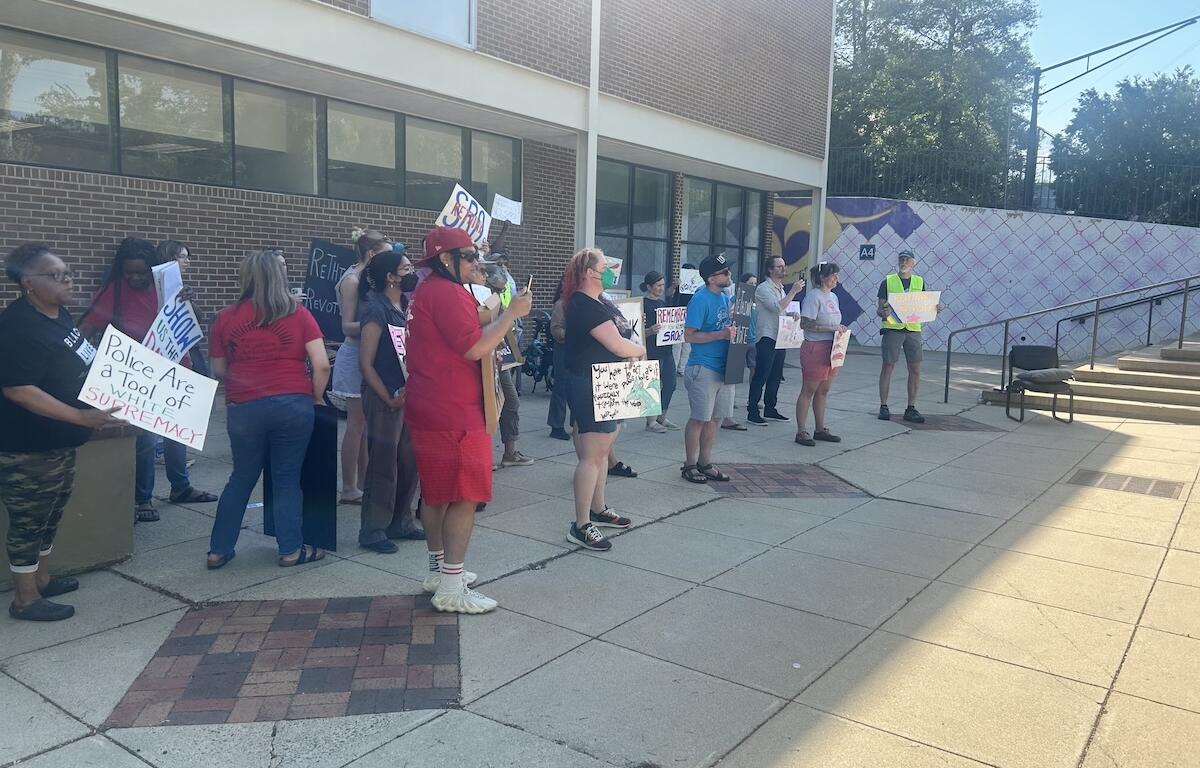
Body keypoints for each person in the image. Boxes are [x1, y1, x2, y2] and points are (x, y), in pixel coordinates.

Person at [405, 226, 532, 614]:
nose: (478, 261)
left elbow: (466, 331)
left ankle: (440, 572)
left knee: (438, 493)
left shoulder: (431, 291)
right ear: (447, 259)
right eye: (470, 255)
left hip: (433, 404)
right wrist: (511, 312)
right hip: (453, 409)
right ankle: (451, 586)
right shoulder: (445, 293)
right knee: (465, 495)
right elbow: (475, 346)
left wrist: (493, 309)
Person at [0, 243, 120, 621]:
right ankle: (25, 600)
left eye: (69, 273)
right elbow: (18, 387)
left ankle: (43, 579)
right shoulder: (18, 327)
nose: (69, 280)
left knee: (50, 514)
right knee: (28, 521)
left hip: (59, 442)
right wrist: (79, 417)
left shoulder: (59, 315)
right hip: (28, 447)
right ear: (28, 283)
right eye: (57, 275)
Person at [206, 249, 331, 569]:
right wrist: (315, 398)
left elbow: (219, 369)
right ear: (280, 278)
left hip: (244, 406)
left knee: (241, 477)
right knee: (287, 478)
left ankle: (219, 549)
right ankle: (290, 550)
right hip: (292, 404)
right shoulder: (299, 314)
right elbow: (321, 365)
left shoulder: (225, 318)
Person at [79, 237, 216, 522]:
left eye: (141, 271)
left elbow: (196, 320)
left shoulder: (165, 287)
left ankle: (181, 487)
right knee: (147, 439)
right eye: (129, 272)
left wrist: (188, 301)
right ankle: (143, 497)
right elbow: (87, 327)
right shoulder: (114, 291)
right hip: (137, 375)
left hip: (175, 369)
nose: (135, 277)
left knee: (176, 433)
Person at [561, 248, 640, 551]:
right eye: (605, 267)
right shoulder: (584, 305)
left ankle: (599, 508)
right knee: (592, 456)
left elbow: (626, 338)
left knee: (604, 450)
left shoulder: (601, 303)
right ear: (589, 272)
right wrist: (638, 352)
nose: (610, 271)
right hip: (589, 383)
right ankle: (581, 525)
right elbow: (619, 345)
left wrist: (632, 349)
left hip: (609, 381)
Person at [356, 248, 424, 553]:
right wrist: (387, 397)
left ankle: (401, 520)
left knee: (410, 461)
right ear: (390, 277)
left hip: (410, 395)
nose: (412, 274)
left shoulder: (409, 305)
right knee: (383, 463)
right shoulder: (375, 308)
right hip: (384, 396)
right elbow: (366, 363)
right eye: (406, 268)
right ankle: (373, 529)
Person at [331, 229, 392, 505]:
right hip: (354, 354)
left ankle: (363, 481)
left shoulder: (366, 278)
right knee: (356, 424)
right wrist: (379, 325)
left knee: (364, 424)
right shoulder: (352, 280)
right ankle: (348, 487)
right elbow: (346, 326)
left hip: (368, 354)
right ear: (372, 254)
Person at [680, 253, 737, 484]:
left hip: (725, 365)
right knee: (699, 419)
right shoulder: (700, 300)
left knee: (715, 419)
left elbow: (724, 324)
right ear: (712, 278)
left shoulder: (723, 297)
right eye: (725, 272)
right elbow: (689, 335)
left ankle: (705, 462)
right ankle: (690, 464)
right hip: (703, 367)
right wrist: (720, 334)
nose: (729, 275)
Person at [878, 249, 943, 424]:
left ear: (914, 263)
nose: (904, 262)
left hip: (913, 329)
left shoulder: (919, 281)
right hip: (893, 328)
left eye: (907, 260)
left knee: (915, 369)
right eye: (901, 259)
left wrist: (935, 308)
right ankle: (884, 406)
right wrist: (883, 312)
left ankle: (911, 407)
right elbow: (880, 308)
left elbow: (923, 304)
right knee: (888, 366)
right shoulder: (888, 281)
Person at [486, 265, 534, 467]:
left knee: (511, 403)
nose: (498, 292)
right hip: (485, 360)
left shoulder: (495, 300)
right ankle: (484, 457)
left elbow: (507, 323)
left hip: (499, 361)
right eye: (495, 288)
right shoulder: (481, 299)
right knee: (487, 409)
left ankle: (510, 452)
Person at [747, 256, 804, 425]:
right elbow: (776, 307)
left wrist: (791, 314)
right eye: (779, 266)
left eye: (783, 266)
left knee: (776, 374)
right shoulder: (764, 288)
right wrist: (794, 291)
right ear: (770, 269)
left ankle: (771, 407)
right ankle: (752, 410)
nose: (783, 269)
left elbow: (782, 310)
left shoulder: (780, 288)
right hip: (767, 336)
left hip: (781, 336)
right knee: (762, 373)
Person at [795, 262, 847, 446]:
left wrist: (839, 330)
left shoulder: (833, 297)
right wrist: (829, 327)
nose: (836, 279)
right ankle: (801, 431)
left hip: (832, 347)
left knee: (824, 390)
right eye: (832, 275)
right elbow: (805, 323)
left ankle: (820, 428)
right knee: (809, 390)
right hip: (815, 346)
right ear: (822, 277)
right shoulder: (813, 297)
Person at [640, 271, 679, 433]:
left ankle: (661, 415)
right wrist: (650, 330)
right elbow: (637, 329)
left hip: (665, 349)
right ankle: (650, 421)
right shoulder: (642, 303)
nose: (661, 288)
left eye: (663, 285)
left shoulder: (662, 303)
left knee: (670, 383)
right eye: (658, 285)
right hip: (651, 350)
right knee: (652, 385)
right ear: (649, 286)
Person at [546, 279, 571, 440]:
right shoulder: (561, 304)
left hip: (577, 349)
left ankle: (575, 424)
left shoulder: (578, 303)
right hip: (564, 349)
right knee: (561, 388)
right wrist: (573, 333)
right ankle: (556, 426)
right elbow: (555, 330)